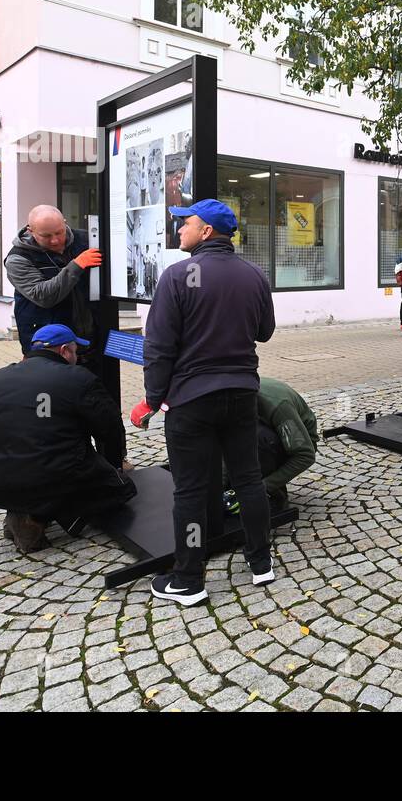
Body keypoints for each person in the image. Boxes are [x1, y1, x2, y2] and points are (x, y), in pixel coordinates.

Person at [133, 198, 276, 606]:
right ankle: (261, 562)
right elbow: (264, 331)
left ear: (206, 231)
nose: (179, 229)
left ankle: (188, 580)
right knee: (248, 479)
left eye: (186, 224)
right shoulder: (254, 275)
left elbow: (158, 347)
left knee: (191, 491)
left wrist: (152, 399)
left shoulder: (178, 276)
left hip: (192, 400)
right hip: (242, 393)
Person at [0, 324, 134, 554]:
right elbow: (110, 428)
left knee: (40, 464)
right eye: (75, 351)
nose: (77, 357)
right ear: (64, 351)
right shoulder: (77, 378)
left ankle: (20, 508)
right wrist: (109, 467)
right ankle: (36, 517)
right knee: (122, 489)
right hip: (45, 475)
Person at [4, 204, 103, 358]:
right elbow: (43, 296)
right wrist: (77, 265)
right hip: (48, 344)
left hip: (90, 338)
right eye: (46, 236)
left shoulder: (86, 240)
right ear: (30, 231)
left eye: (59, 232)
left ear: (65, 223)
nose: (55, 240)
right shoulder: (18, 259)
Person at [223, 377, 317, 515]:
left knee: (259, 438)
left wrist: (261, 488)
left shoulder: (278, 406)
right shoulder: (230, 401)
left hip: (298, 442)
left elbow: (305, 455)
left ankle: (275, 497)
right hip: (265, 428)